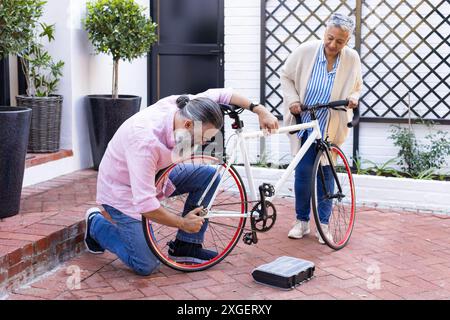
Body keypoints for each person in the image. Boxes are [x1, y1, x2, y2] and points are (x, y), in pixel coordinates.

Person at [84, 88, 278, 275]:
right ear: (188, 126)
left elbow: (224, 94)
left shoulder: (191, 107)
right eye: (202, 138)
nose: (204, 143)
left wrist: (260, 110)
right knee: (146, 265)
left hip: (158, 178)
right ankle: (96, 225)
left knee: (209, 176)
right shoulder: (144, 141)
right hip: (123, 191)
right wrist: (183, 223)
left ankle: (187, 245)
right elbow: (145, 204)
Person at [280, 13, 363, 243]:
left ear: (347, 41)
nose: (333, 45)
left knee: (326, 175)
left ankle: (323, 224)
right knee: (304, 173)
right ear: (325, 32)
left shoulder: (351, 58)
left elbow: (357, 85)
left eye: (340, 41)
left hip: (331, 123)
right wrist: (293, 100)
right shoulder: (305, 51)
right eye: (330, 38)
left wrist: (353, 97)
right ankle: (302, 221)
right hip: (305, 122)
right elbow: (286, 77)